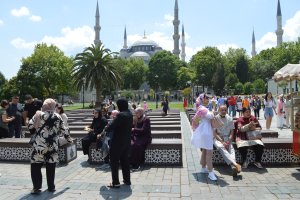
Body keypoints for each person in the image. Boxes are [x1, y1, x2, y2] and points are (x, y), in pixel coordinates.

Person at [28, 98, 73, 194]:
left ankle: (36, 188)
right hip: (53, 146)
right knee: (51, 166)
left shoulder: (38, 114)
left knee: (36, 166)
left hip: (39, 145)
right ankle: (51, 187)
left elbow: (30, 126)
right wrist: (69, 139)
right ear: (53, 105)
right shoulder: (57, 116)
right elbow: (64, 130)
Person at [105, 98, 133, 188]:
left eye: (117, 105)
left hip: (117, 143)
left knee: (114, 162)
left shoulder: (121, 115)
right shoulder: (129, 114)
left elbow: (110, 127)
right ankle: (127, 180)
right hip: (126, 142)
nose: (117, 106)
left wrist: (109, 124)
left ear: (120, 105)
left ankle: (116, 183)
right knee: (125, 161)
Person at [191, 93, 217, 181]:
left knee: (205, 150)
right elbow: (212, 116)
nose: (208, 100)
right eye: (206, 98)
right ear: (202, 99)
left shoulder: (201, 108)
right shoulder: (203, 109)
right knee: (209, 152)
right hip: (206, 131)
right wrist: (214, 107)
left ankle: (203, 167)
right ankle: (211, 172)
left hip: (205, 130)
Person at [214, 105, 241, 177]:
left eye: (225, 110)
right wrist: (222, 142)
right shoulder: (215, 118)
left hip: (227, 138)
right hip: (218, 138)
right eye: (222, 110)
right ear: (219, 110)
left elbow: (232, 132)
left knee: (231, 149)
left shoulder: (229, 118)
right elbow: (214, 133)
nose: (223, 111)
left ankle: (233, 166)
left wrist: (229, 140)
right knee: (221, 147)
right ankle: (235, 164)